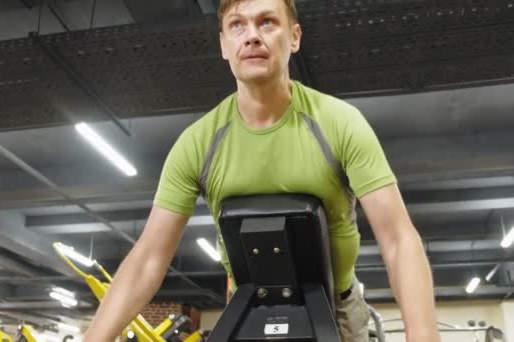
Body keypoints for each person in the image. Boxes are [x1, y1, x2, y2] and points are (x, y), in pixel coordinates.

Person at [83, 0, 441, 341]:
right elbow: (148, 259)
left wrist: (423, 335)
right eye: (237, 25)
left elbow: (398, 240)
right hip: (247, 309)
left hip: (338, 310)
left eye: (267, 22)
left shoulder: (339, 123)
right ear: (224, 45)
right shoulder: (197, 143)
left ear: (295, 37)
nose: (252, 35)